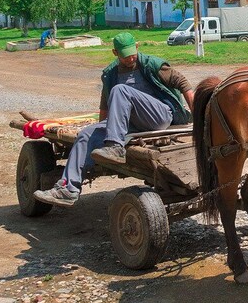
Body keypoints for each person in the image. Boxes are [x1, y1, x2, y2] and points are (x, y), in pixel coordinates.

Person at [33, 32, 194, 207]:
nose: (130, 58)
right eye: (125, 56)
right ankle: (68, 189)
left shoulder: (151, 64)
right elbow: (105, 107)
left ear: (137, 47)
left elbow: (183, 83)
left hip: (160, 117)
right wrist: (101, 130)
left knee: (120, 90)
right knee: (86, 135)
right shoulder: (110, 74)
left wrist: (198, 116)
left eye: (133, 53)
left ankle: (116, 147)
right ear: (115, 53)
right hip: (133, 125)